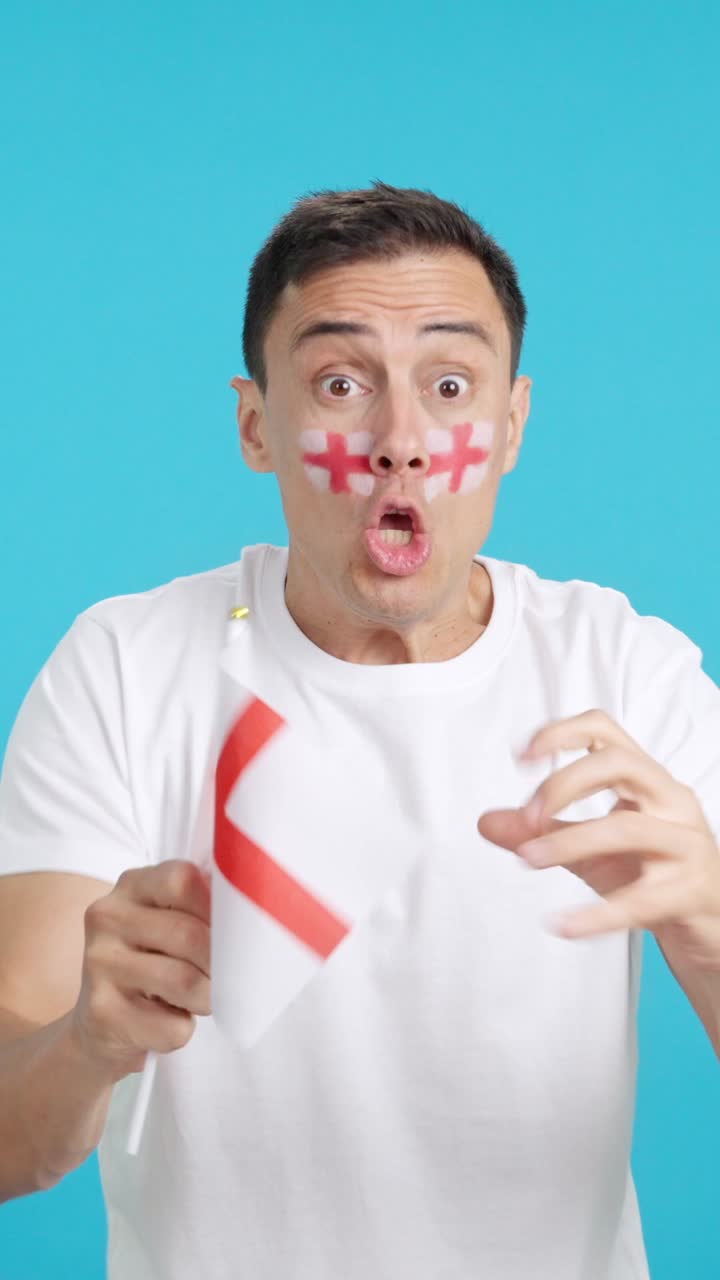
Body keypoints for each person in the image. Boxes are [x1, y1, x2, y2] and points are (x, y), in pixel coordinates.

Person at [0, 180, 718, 1280]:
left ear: (512, 425)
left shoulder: (629, 673)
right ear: (257, 425)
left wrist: (711, 924)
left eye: (448, 384)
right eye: (341, 382)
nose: (400, 440)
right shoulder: (126, 666)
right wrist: (88, 1042)